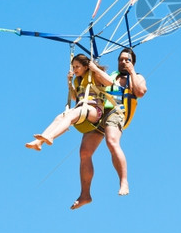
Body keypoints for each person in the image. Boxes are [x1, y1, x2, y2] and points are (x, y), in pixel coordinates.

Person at [74, 47, 147, 209]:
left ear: (132, 62)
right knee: (84, 152)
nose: (123, 62)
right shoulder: (111, 76)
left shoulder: (137, 77)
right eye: (121, 59)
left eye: (126, 60)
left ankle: (124, 181)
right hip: (100, 111)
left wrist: (132, 72)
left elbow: (140, 92)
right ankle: (85, 194)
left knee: (112, 141)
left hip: (117, 112)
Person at [25, 53, 115, 152]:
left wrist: (95, 69)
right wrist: (69, 82)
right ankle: (38, 143)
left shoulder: (94, 75)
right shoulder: (77, 80)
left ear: (85, 67)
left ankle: (50, 136)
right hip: (83, 110)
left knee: (74, 112)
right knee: (61, 116)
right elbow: (74, 97)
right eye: (73, 67)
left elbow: (110, 82)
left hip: (95, 111)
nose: (75, 69)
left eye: (77, 67)